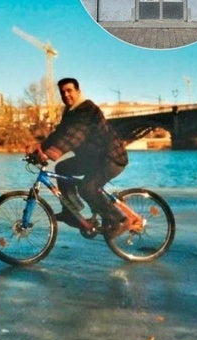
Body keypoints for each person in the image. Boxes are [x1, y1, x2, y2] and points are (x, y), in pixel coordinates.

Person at [31, 77, 129, 236]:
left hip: (110, 158)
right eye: (62, 92)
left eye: (69, 91)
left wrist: (51, 153)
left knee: (87, 188)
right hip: (93, 157)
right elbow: (61, 134)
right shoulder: (70, 111)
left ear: (78, 91)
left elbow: (77, 135)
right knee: (62, 168)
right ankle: (72, 212)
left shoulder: (87, 109)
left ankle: (120, 219)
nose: (66, 95)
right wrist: (40, 147)